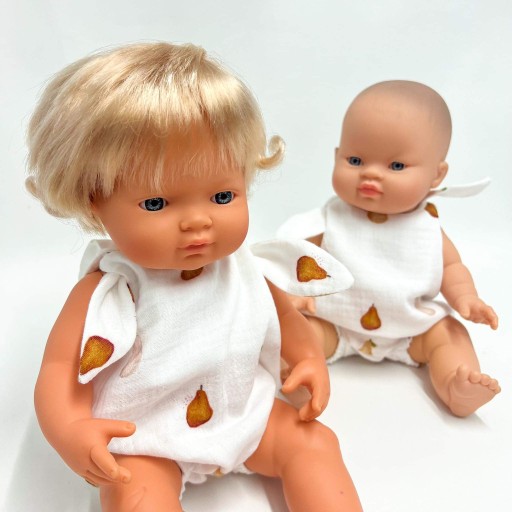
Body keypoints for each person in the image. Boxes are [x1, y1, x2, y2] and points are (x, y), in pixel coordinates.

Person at [27, 42, 362, 511]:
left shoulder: (245, 268)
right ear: (94, 201)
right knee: (135, 494)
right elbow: (60, 371)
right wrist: (70, 428)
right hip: (146, 435)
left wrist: (307, 357)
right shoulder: (112, 291)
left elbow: (285, 318)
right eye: (156, 203)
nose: (198, 222)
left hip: (244, 412)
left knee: (314, 443)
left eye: (222, 197)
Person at [280, 80, 500, 418]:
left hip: (413, 330)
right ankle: (297, 376)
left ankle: (455, 384)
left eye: (396, 166)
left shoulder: (427, 228)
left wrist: (466, 298)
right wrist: (293, 293)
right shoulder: (329, 219)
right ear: (337, 156)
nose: (370, 174)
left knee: (450, 333)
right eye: (355, 159)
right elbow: (297, 257)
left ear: (436, 175)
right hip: (334, 323)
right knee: (297, 331)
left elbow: (451, 268)